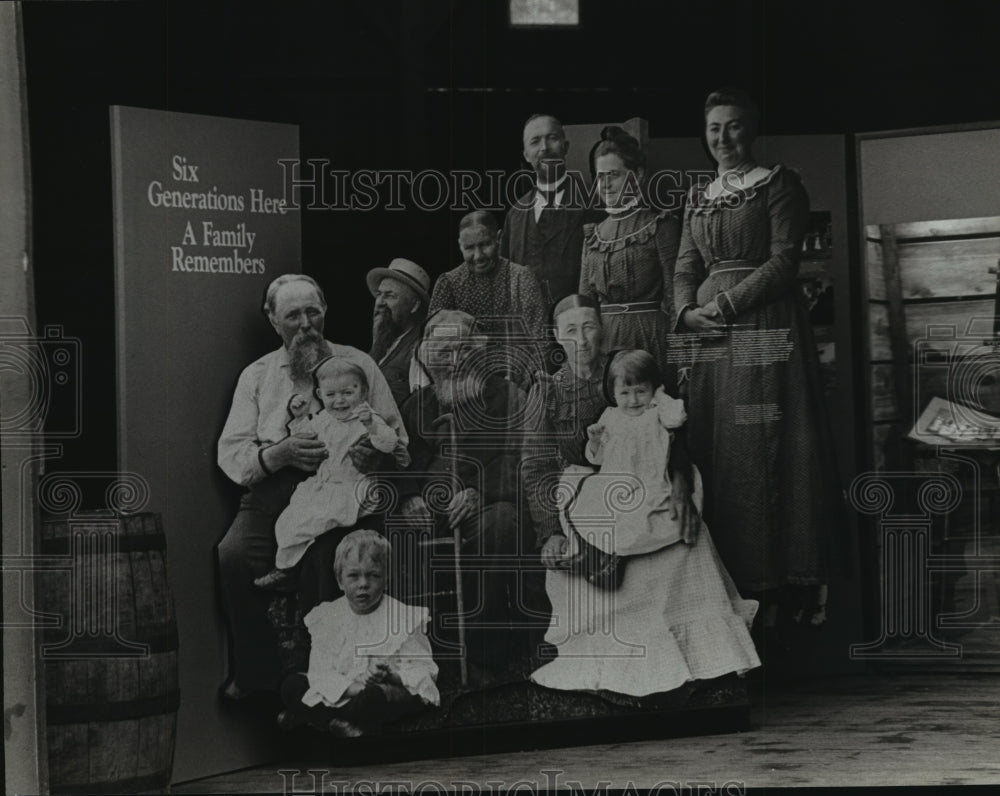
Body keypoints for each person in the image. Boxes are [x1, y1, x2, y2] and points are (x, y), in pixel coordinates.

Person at [673, 87, 842, 636]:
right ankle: (725, 592)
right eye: (715, 128)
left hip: (764, 328)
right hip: (708, 339)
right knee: (714, 448)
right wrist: (684, 313)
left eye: (735, 127)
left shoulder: (778, 183)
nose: (723, 138)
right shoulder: (699, 196)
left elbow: (784, 262)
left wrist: (724, 302)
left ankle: (777, 589)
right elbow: (683, 267)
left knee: (761, 447)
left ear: (752, 130)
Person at [528, 301, 760, 700]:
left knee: (688, 537)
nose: (581, 340)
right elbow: (534, 466)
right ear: (555, 335)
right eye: (569, 331)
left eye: (589, 327)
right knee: (606, 534)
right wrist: (549, 531)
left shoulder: (630, 368)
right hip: (590, 491)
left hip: (651, 482)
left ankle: (702, 655)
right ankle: (619, 659)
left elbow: (673, 438)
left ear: (603, 328)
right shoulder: (547, 388)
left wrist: (681, 482)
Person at [216, 273, 406, 700]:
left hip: (345, 486)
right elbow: (231, 454)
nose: (305, 324)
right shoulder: (258, 375)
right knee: (232, 556)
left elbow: (396, 433)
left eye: (312, 312)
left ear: (325, 312)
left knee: (328, 556)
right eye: (292, 315)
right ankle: (259, 677)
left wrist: (377, 454)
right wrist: (278, 454)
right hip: (275, 489)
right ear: (272, 319)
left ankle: (320, 681)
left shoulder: (359, 364)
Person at [396, 309, 537, 685]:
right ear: (429, 357)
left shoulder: (508, 396)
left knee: (502, 524)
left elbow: (519, 459)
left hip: (487, 503)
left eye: (461, 349)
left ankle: (484, 652)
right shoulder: (418, 405)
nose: (453, 360)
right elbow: (404, 460)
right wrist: (410, 497)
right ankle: (415, 650)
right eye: (442, 351)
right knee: (396, 529)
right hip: (430, 507)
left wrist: (479, 492)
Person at [253, 357, 404, 591]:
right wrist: (300, 417)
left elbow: (389, 442)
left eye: (348, 392)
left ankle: (293, 567)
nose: (340, 400)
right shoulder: (324, 420)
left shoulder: (367, 419)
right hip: (324, 485)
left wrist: (372, 426)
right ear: (319, 394)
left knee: (320, 526)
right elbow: (307, 437)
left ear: (363, 392)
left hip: (351, 486)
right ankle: (287, 567)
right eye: (331, 394)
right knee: (289, 521)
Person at [278, 530, 439, 736]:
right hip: (344, 689)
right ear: (340, 581)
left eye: (373, 575)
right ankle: (338, 723)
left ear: (386, 578)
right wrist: (355, 686)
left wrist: (392, 675)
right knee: (292, 685)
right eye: (353, 576)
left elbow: (425, 671)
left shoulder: (403, 618)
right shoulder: (328, 617)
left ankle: (319, 718)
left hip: (380, 691)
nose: (363, 584)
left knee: (374, 698)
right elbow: (320, 672)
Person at [579, 126, 681, 392]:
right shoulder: (593, 235)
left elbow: (675, 294)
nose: (605, 185)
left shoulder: (660, 225)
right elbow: (585, 303)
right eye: (599, 177)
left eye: (613, 175)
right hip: (607, 344)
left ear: (637, 175)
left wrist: (684, 358)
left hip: (651, 339)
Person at [575, 350, 691, 559]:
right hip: (615, 482)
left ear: (652, 389)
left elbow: (678, 417)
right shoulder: (610, 417)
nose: (634, 400)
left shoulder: (655, 412)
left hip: (648, 481)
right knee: (602, 516)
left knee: (645, 521)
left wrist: (659, 396)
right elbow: (597, 459)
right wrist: (594, 442)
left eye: (641, 391)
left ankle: (624, 555)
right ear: (613, 393)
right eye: (625, 393)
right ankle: (599, 554)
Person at [428, 210, 547, 384]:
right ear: (460, 245)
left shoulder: (521, 278)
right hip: (461, 385)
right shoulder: (449, 284)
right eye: (469, 248)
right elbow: (435, 343)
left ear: (498, 238)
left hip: (515, 387)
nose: (478, 256)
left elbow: (540, 340)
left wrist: (521, 386)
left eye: (485, 244)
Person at [499, 113, 598, 310]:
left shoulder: (594, 201)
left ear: (565, 146)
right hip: (529, 329)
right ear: (526, 154)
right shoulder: (515, 214)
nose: (544, 148)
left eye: (552, 138)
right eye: (535, 141)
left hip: (580, 324)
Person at [367, 257, 432, 407]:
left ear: (414, 305)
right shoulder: (382, 345)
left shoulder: (422, 348)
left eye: (390, 295)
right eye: (379, 294)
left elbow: (423, 410)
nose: (379, 303)